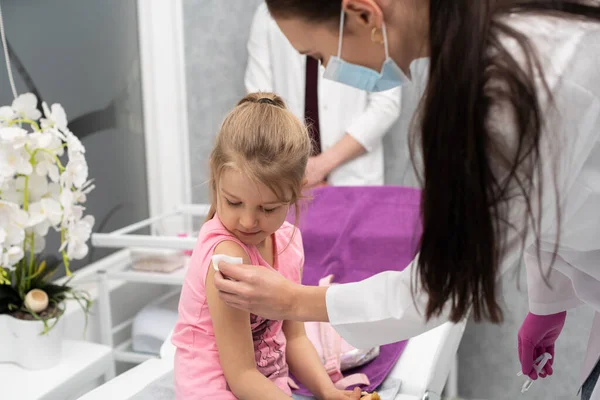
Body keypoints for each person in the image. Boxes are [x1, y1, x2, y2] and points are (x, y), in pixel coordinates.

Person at [213, 1, 600, 398]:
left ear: (365, 16)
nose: (327, 70)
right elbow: (547, 190)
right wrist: (548, 300)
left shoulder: (512, 82)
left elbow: (438, 286)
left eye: (318, 55)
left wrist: (293, 300)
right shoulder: (497, 46)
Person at [171, 92, 362, 399]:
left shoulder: (288, 241)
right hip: (213, 390)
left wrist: (328, 392)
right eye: (234, 202)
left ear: (297, 190)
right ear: (216, 176)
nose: (247, 222)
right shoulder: (227, 257)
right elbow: (241, 375)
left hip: (268, 384)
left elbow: (295, 337)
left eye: (268, 208)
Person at [245, 2, 401, 187]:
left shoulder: (368, 12)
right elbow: (260, 103)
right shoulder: (268, 14)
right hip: (290, 177)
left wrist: (320, 166)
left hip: (355, 178)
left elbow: (386, 104)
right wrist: (297, 167)